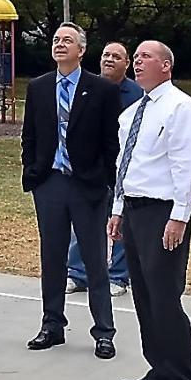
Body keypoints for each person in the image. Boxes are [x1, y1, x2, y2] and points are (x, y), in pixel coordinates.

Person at [109, 40, 191, 380]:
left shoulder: (181, 108)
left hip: (163, 211)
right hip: (135, 208)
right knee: (144, 297)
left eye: (145, 57)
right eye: (135, 58)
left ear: (166, 66)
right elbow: (127, 164)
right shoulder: (133, 112)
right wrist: (118, 209)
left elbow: (186, 166)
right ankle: (161, 368)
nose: (137, 62)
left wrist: (180, 215)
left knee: (165, 298)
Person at [21, 22, 123, 358]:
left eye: (68, 41)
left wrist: (105, 181)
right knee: (52, 258)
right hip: (50, 183)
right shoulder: (38, 87)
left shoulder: (102, 90)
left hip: (87, 185)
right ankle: (51, 325)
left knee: (94, 260)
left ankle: (104, 332)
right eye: (56, 40)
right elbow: (30, 135)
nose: (60, 45)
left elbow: (112, 143)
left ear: (81, 50)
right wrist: (33, 172)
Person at [68, 40, 140, 296]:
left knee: (118, 223)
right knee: (84, 222)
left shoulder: (137, 94)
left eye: (116, 56)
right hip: (91, 168)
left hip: (124, 169)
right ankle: (78, 273)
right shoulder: (87, 87)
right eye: (106, 55)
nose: (109, 59)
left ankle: (118, 277)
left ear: (127, 64)